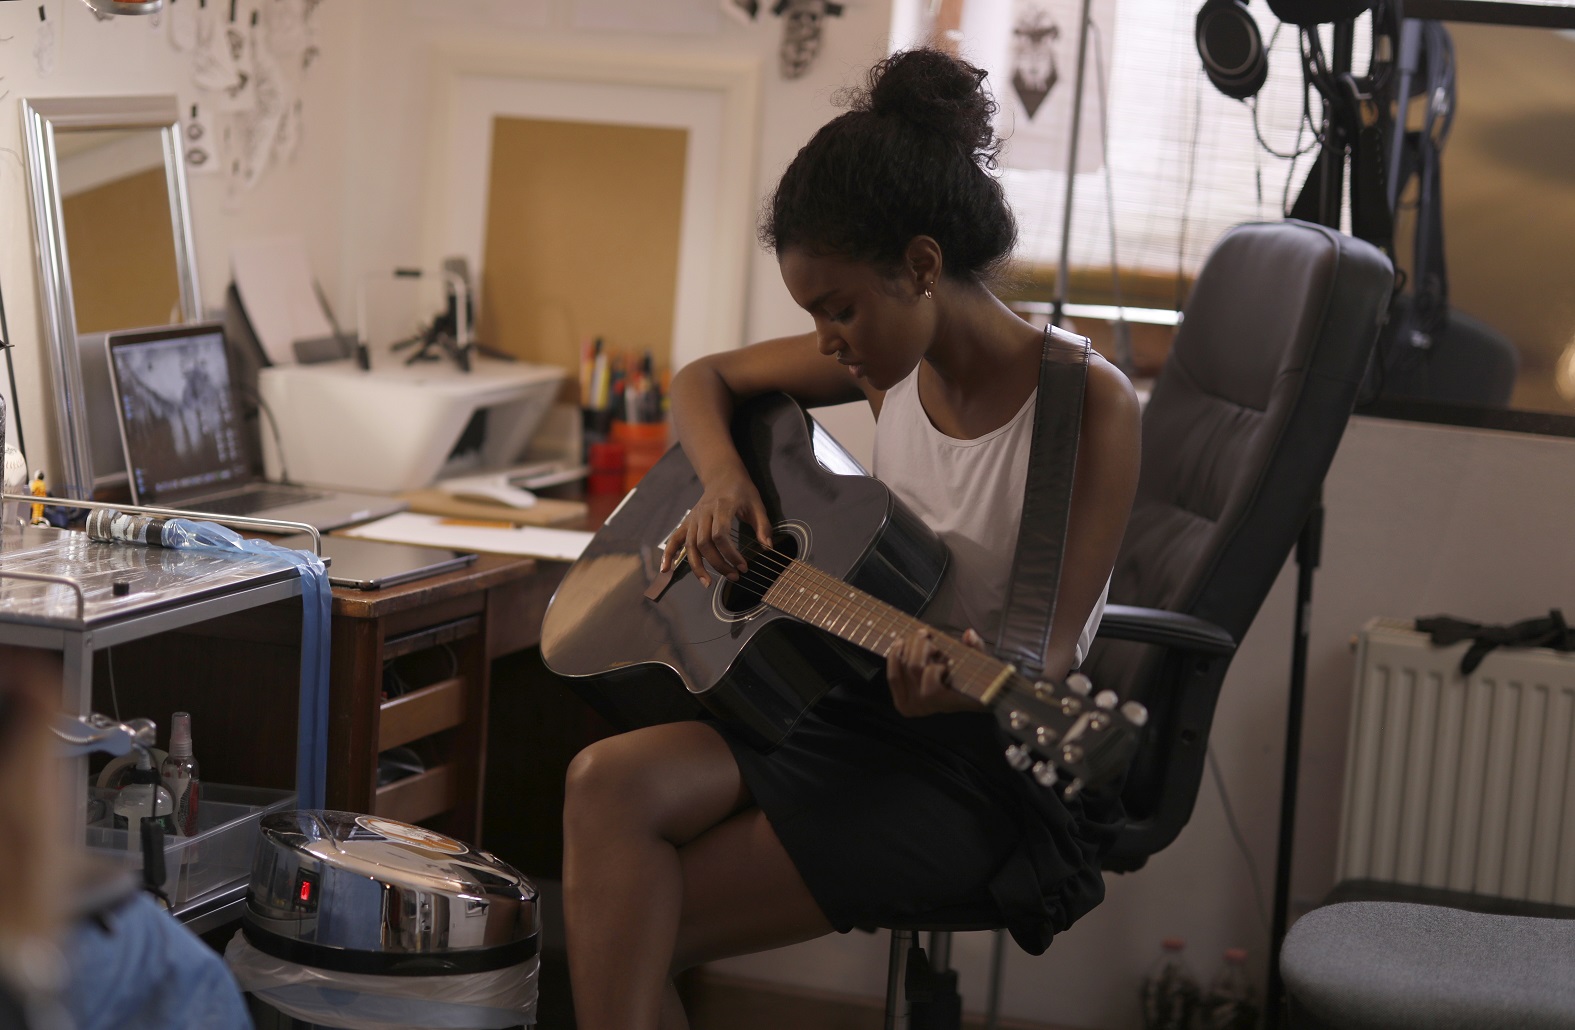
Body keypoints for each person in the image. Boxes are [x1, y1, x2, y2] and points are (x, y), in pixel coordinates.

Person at [560, 47, 1141, 1030]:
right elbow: (703, 378)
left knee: (623, 927)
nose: (829, 341)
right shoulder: (887, 367)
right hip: (850, 702)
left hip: (975, 758)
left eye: (839, 309)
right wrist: (725, 481)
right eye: (814, 315)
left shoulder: (1088, 408)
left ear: (920, 265)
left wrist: (957, 682)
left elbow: (1040, 656)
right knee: (600, 782)